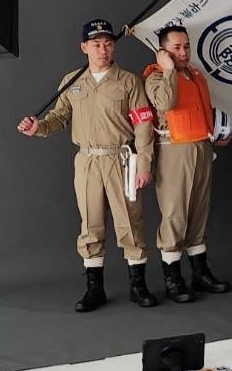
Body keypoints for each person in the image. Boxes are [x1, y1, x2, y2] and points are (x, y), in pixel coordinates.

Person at [17, 19, 159, 312]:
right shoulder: (72, 82)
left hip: (122, 159)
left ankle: (138, 286)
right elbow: (59, 117)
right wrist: (39, 127)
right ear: (84, 47)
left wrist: (144, 164)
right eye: (96, 44)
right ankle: (95, 289)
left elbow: (144, 124)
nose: (102, 50)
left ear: (114, 46)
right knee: (91, 224)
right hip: (87, 161)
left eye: (108, 43)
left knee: (130, 222)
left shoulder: (129, 81)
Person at [143, 24, 232, 302]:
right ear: (163, 51)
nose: (183, 52)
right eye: (176, 48)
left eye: (186, 46)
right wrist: (168, 69)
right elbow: (165, 103)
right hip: (174, 150)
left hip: (201, 147)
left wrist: (217, 133)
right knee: (175, 214)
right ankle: (173, 279)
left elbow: (201, 110)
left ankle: (200, 273)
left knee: (198, 212)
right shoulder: (156, 76)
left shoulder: (195, 75)